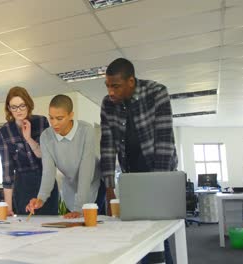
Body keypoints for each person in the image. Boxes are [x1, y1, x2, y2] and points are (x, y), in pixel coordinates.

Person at [100, 58, 178, 263]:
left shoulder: (156, 92)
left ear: (131, 82)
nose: (111, 92)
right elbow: (107, 144)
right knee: (135, 230)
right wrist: (109, 189)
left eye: (115, 86)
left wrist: (158, 183)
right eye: (108, 86)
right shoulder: (108, 104)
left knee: (157, 231)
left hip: (158, 169)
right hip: (131, 174)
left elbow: (164, 138)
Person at [26, 94, 102, 218]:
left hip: (93, 184)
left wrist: (79, 208)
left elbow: (86, 171)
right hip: (70, 187)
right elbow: (48, 172)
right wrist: (40, 198)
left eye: (59, 118)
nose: (54, 123)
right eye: (51, 118)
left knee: (94, 228)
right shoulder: (46, 137)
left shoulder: (86, 130)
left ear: (71, 115)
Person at [0, 87, 59, 216]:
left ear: (28, 104)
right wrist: (7, 207)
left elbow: (46, 156)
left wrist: (29, 139)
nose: (18, 110)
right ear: (9, 108)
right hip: (23, 185)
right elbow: (7, 172)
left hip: (45, 181)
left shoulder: (41, 122)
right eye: (14, 107)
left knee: (50, 223)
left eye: (22, 106)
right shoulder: (5, 132)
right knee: (26, 227)